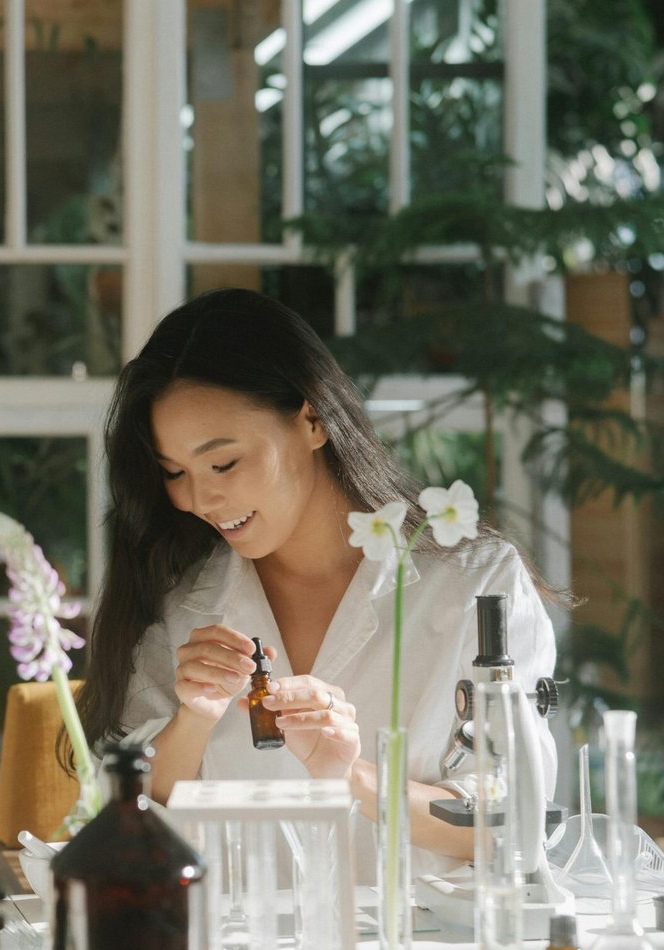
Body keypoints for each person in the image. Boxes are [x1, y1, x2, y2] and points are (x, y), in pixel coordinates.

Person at [79, 288, 557, 879]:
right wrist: (194, 720)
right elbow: (131, 821)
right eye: (175, 473)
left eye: (223, 463)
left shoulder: (474, 585)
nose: (200, 499)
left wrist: (354, 776)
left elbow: (517, 827)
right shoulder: (180, 605)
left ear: (311, 420)